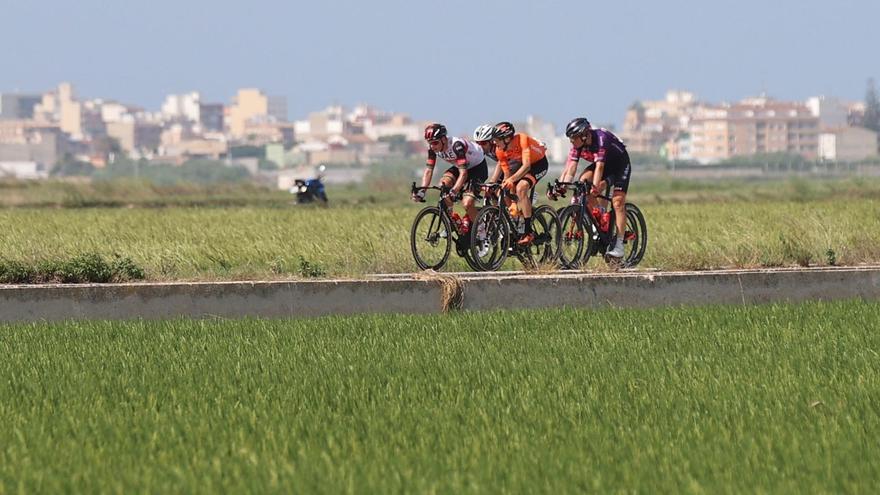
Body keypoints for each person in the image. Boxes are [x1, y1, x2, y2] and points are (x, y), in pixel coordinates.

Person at [555, 117, 631, 257]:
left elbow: (600, 167)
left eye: (573, 138)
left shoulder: (601, 139)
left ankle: (619, 246)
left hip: (619, 165)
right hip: (600, 166)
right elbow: (570, 168)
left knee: (617, 202)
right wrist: (562, 186)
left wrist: (595, 187)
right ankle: (601, 220)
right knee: (583, 182)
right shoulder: (578, 146)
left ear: (584, 135)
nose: (571, 141)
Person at [412, 123, 487, 234]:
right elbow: (428, 170)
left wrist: (454, 191)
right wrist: (422, 190)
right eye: (429, 143)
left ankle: (481, 228)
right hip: (460, 166)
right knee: (443, 185)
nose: (432, 146)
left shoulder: (457, 146)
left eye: (435, 142)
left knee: (467, 203)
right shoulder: (432, 149)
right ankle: (452, 222)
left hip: (477, 168)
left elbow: (464, 174)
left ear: (443, 139)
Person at [486, 121, 548, 246]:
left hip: (538, 164)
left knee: (521, 187)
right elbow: (507, 174)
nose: (494, 143)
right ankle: (517, 217)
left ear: (507, 138)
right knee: (505, 190)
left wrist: (512, 180)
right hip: (519, 164)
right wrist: (508, 188)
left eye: (497, 139)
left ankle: (528, 232)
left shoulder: (522, 139)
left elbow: (526, 166)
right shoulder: (499, 150)